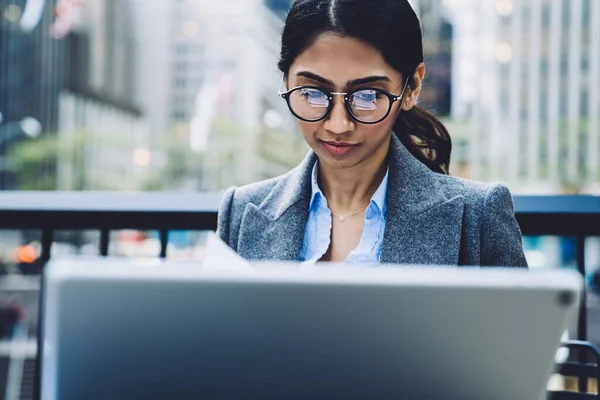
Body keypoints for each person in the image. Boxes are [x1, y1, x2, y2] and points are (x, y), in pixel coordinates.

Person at [218, 0, 528, 267]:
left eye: (367, 96)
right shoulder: (242, 212)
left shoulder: (479, 216)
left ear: (412, 87)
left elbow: (520, 337)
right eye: (312, 93)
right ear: (286, 82)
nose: (338, 125)